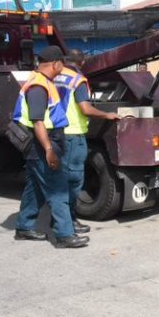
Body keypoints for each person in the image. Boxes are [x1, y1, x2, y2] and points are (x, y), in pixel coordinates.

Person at [11, 45, 88, 248]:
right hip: (42, 143)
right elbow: (38, 122)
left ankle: (24, 227)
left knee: (34, 188)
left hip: (41, 143)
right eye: (61, 64)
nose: (63, 67)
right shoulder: (38, 87)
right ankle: (64, 235)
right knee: (58, 189)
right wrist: (48, 150)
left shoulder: (43, 81)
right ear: (55, 64)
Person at [54, 49, 120, 233]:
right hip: (73, 135)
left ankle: (60, 220)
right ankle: (67, 222)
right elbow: (85, 109)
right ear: (82, 62)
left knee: (61, 180)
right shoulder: (78, 80)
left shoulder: (56, 76)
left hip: (57, 132)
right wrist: (107, 114)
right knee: (74, 182)